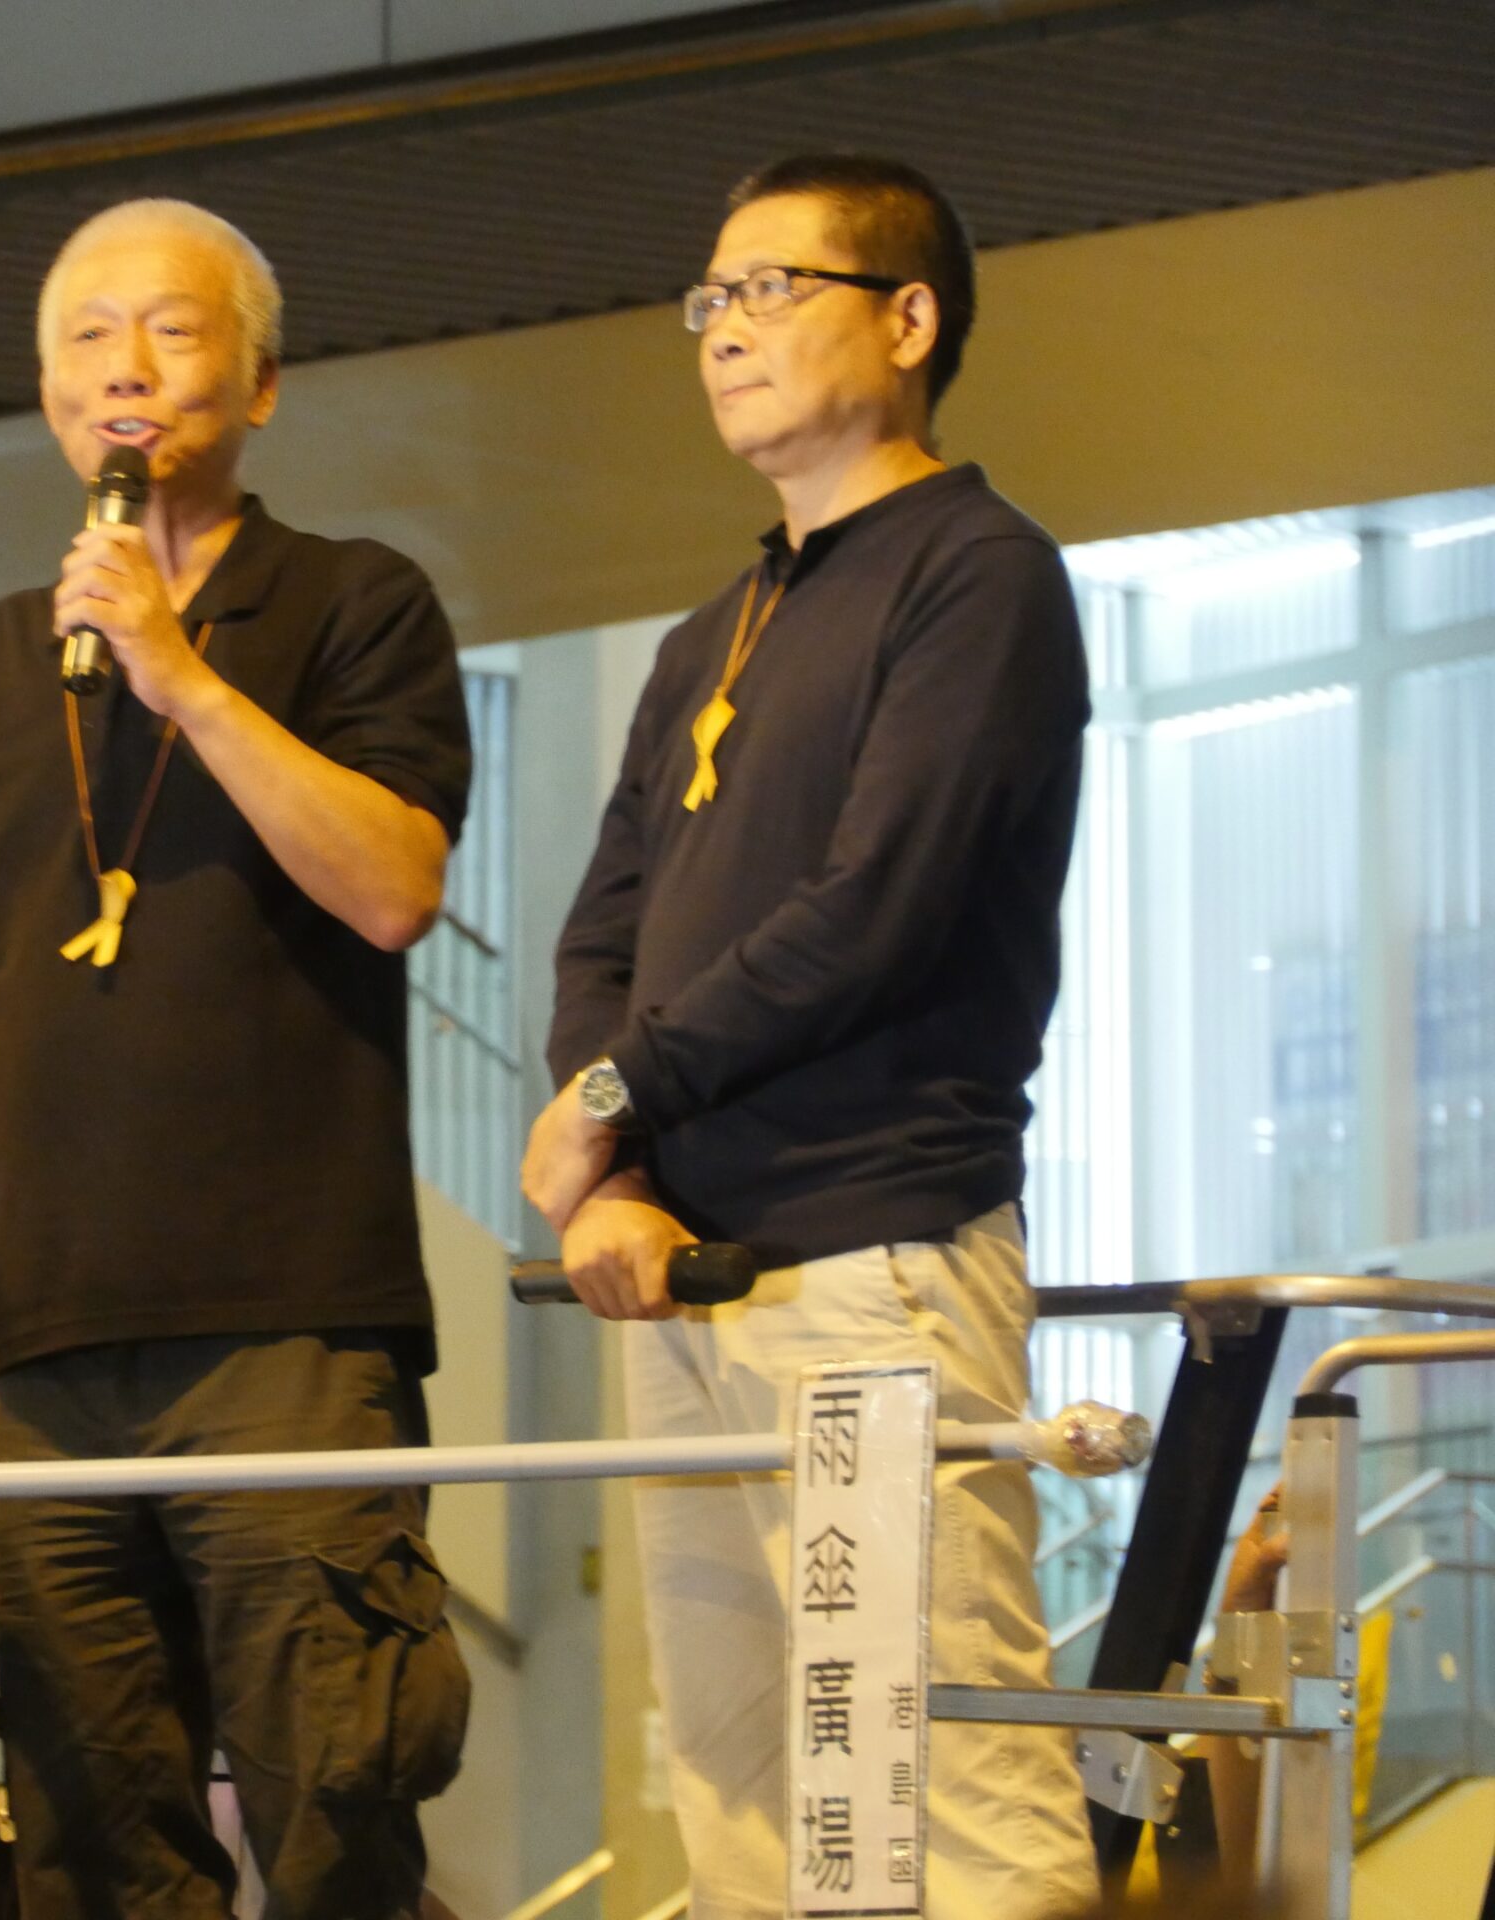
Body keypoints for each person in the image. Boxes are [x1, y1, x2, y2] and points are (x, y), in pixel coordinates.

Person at [0, 198, 475, 1918]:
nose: (125, 369)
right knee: (86, 1833)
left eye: (169, 331)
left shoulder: (353, 602)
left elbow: (393, 889)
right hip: (48, 1338)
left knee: (334, 1809)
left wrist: (184, 677)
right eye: (86, 338)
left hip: (287, 1324)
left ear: (261, 382)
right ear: (47, 393)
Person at [524, 155, 1102, 1918]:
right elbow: (606, 920)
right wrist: (605, 1179)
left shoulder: (979, 572)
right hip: (680, 1275)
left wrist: (621, 1090)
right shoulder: (720, 620)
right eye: (708, 299)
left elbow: (880, 905)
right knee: (736, 1797)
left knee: (946, 1784)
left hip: (873, 1252)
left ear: (909, 319)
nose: (725, 331)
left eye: (774, 287)